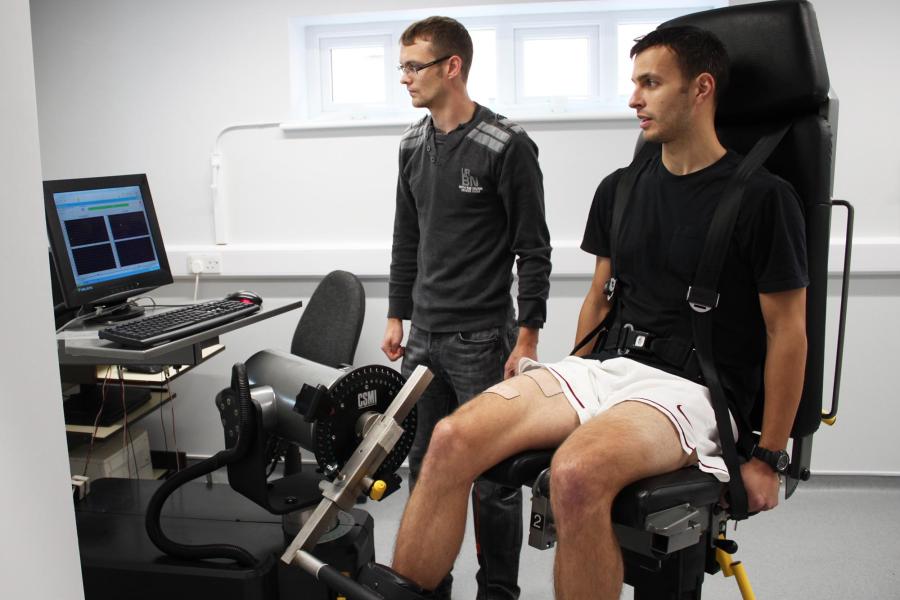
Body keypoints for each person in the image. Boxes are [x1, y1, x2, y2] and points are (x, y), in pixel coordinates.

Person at [390, 25, 808, 599]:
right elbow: (599, 297)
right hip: (605, 367)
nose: (634, 98)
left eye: (651, 83)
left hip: (692, 389)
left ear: (701, 88)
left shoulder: (765, 198)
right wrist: (567, 383)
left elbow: (788, 332)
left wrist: (767, 457)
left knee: (576, 471)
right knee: (449, 439)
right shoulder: (620, 188)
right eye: (634, 83)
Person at [380, 16, 552, 600]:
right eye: (401, 66)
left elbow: (535, 249)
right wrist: (396, 313)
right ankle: (430, 586)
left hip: (484, 341)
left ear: (451, 67)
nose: (403, 78)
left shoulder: (507, 146)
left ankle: (498, 591)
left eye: (413, 66)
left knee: (493, 483)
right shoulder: (410, 146)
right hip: (423, 339)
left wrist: (527, 337)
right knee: (425, 473)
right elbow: (407, 239)